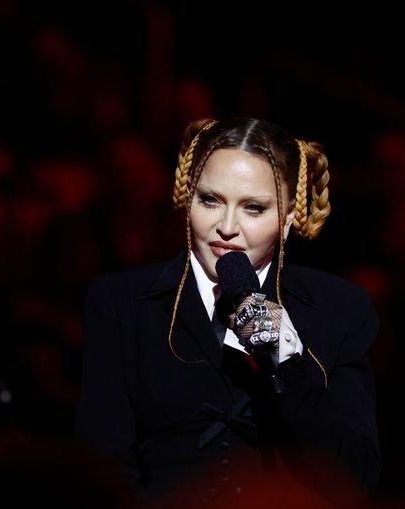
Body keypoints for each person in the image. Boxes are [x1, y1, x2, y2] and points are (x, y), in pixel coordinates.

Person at [75, 117, 381, 508]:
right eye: (210, 200)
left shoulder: (339, 308)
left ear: (288, 215)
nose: (227, 226)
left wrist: (288, 361)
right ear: (188, 196)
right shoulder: (123, 302)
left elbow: (357, 476)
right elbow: (102, 464)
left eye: (253, 208)